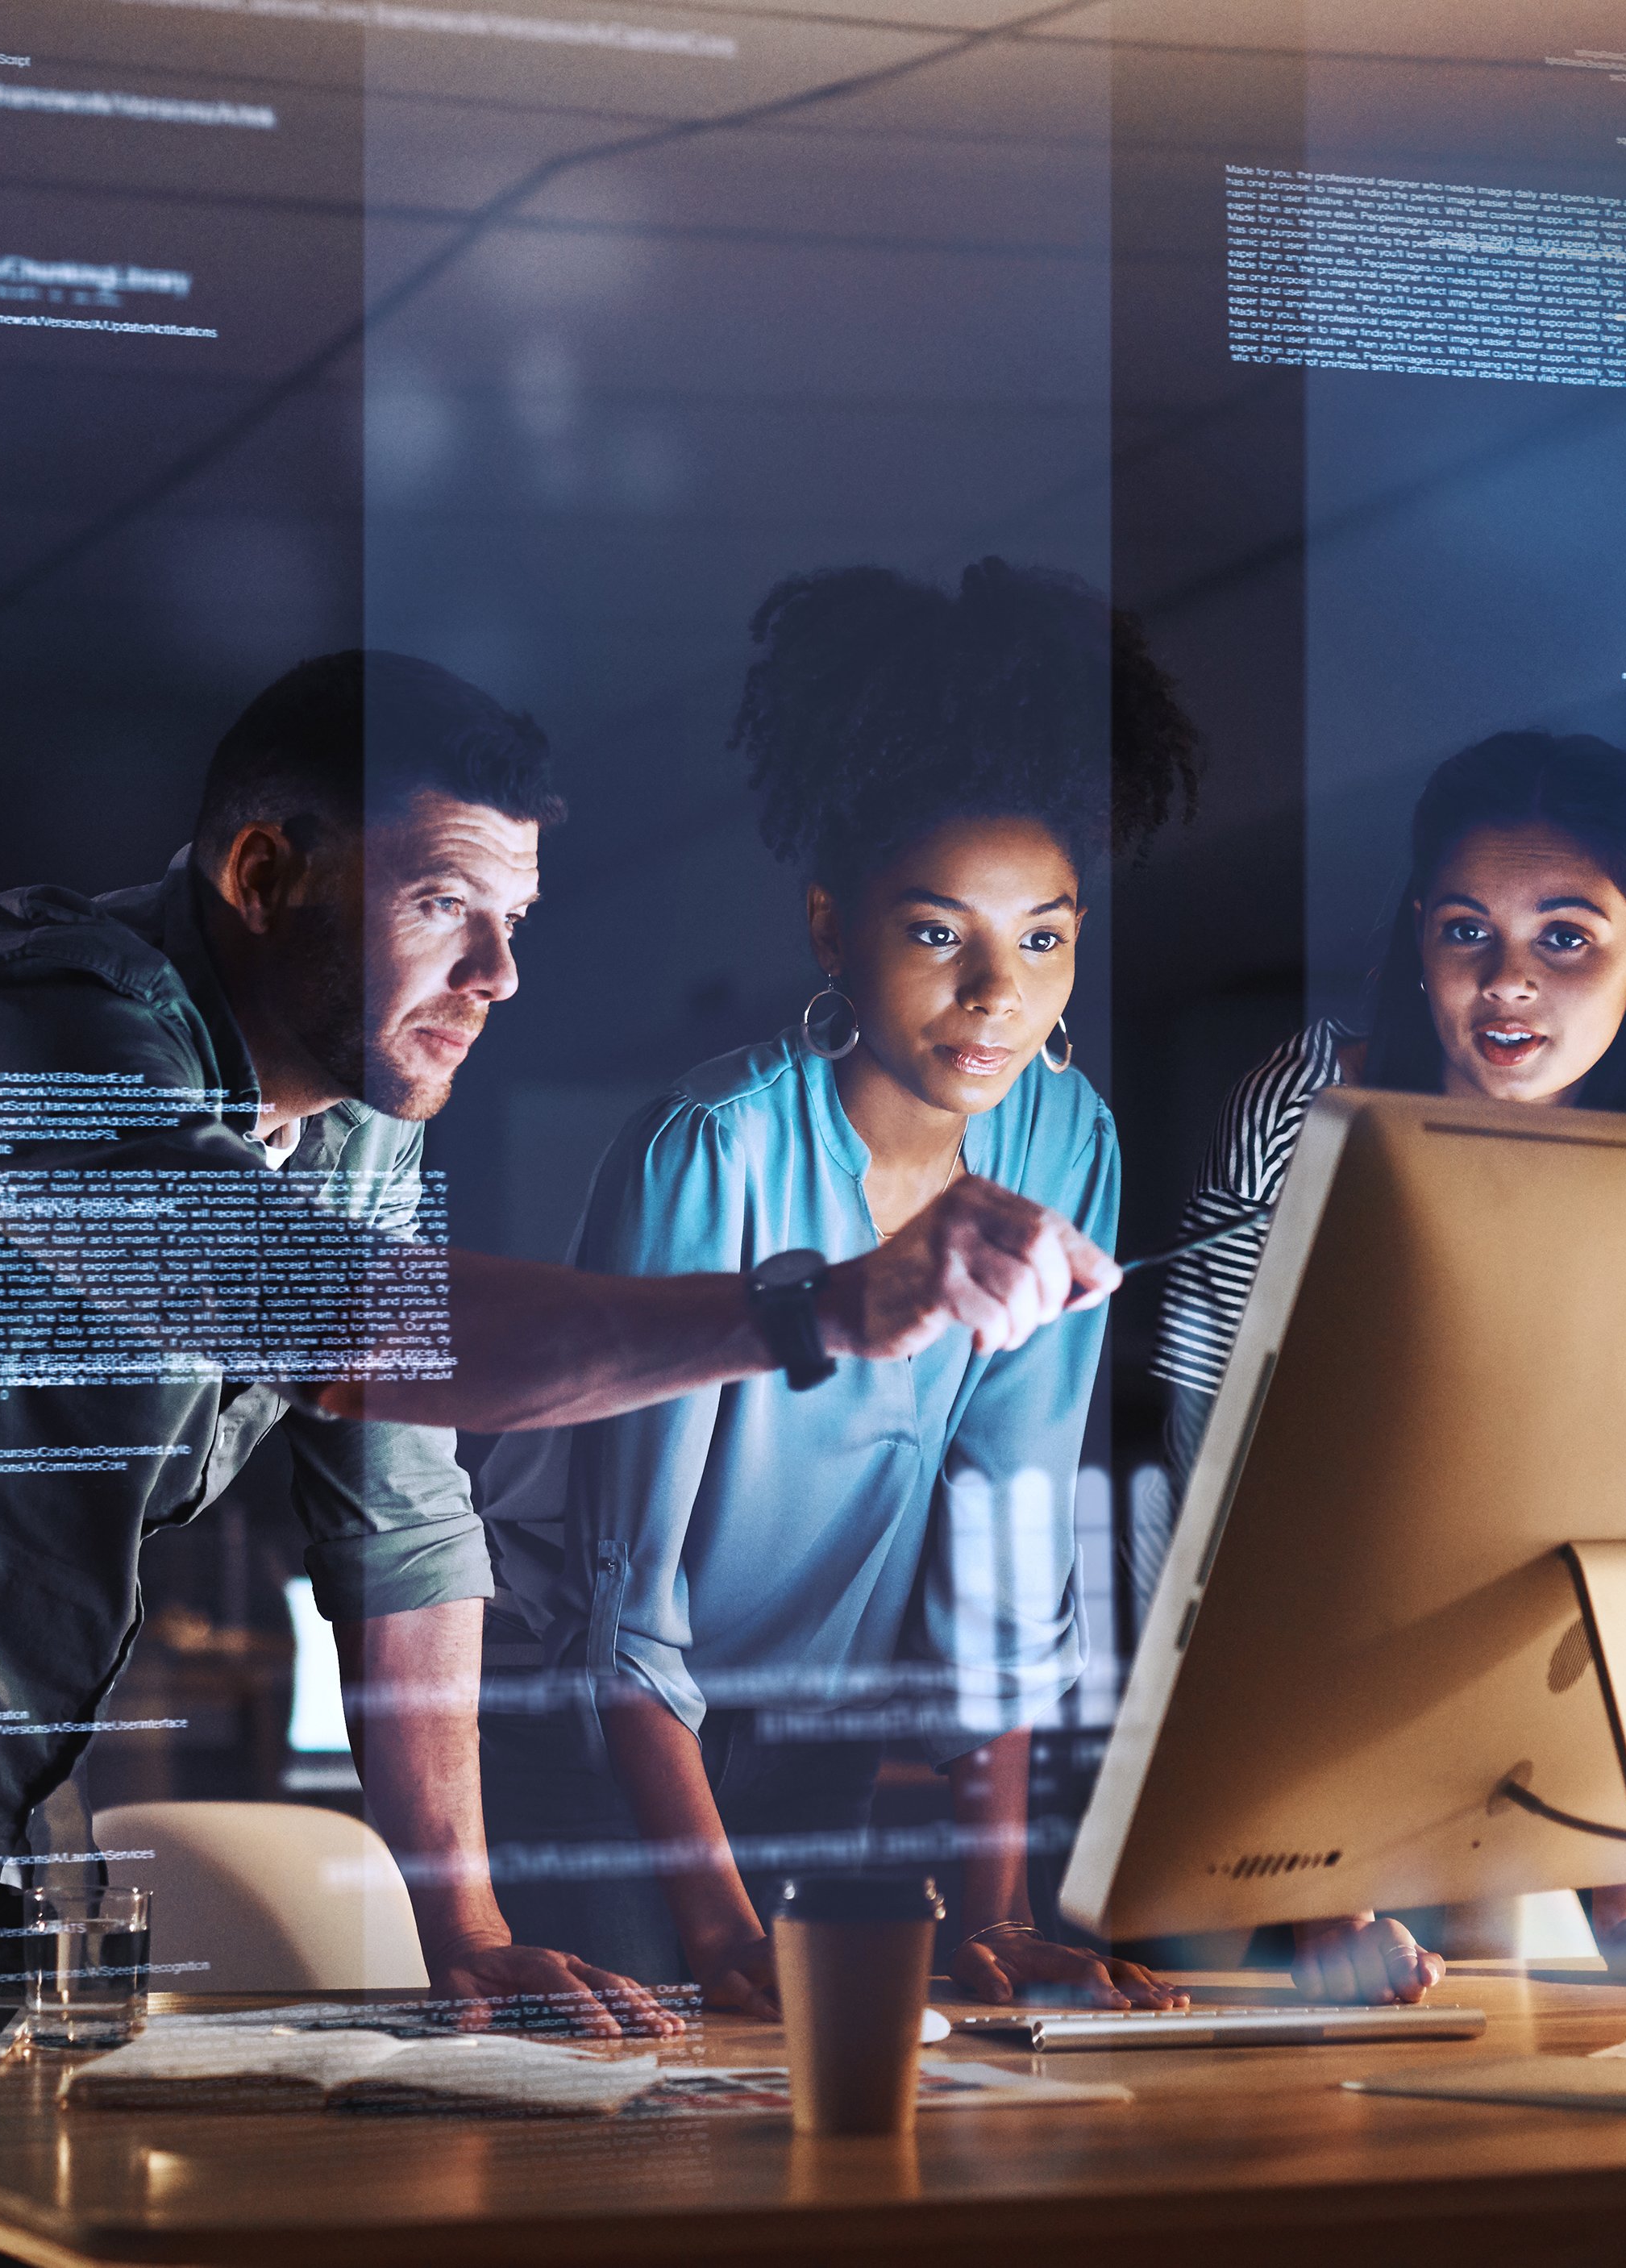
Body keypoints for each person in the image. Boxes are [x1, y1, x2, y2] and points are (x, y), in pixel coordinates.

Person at [0, 651, 1121, 2268]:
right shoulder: (33, 1013)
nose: (499, 972)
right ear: (263, 873)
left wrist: (470, 1934)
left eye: (519, 922)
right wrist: (817, 1306)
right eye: (445, 906)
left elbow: (405, 1525)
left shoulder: (366, 1124)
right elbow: (347, 1327)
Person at [474, 561, 1190, 2016]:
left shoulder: (1069, 1138)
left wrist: (995, 1916)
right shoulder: (713, 1148)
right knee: (643, 2120)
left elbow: (1011, 1548)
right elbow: (625, 1606)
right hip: (589, 1728)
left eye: (1043, 938)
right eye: (938, 932)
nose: (997, 991)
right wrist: (727, 1932)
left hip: (811, 1723)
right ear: (828, 931)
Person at [1151, 728, 1626, 1997]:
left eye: (1566, 936)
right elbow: (1206, 1501)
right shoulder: (1306, 1109)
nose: (1507, 982)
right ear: (1420, 935)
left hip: (1566, 1698)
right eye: (1466, 930)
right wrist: (1305, 1877)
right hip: (1291, 1706)